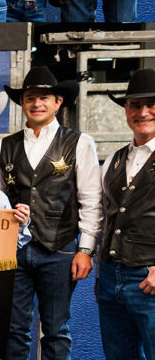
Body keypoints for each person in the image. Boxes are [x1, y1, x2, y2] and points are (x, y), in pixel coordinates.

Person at [0, 66, 102, 360]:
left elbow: (91, 200)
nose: (37, 103)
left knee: (55, 328)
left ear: (58, 102)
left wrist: (85, 249)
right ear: (22, 102)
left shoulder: (80, 142)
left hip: (60, 248)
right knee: (12, 328)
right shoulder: (4, 147)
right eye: (30, 98)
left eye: (44, 97)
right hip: (13, 251)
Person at [100, 68, 155, 359]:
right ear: (126, 110)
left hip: (149, 277)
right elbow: (106, 216)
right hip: (111, 277)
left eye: (151, 104)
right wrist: (102, 270)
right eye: (135, 105)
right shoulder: (114, 159)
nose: (143, 112)